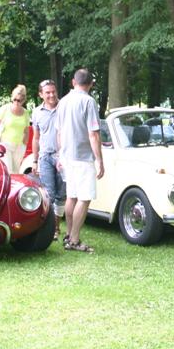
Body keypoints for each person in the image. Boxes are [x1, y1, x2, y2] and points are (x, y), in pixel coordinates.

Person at [56, 68, 103, 253]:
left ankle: (69, 235)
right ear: (91, 84)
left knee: (71, 197)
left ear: (74, 82)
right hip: (83, 157)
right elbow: (93, 134)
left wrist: (61, 154)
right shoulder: (89, 102)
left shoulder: (64, 101)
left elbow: (58, 132)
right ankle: (74, 239)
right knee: (84, 198)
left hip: (67, 156)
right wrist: (99, 159)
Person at [31, 79, 65, 239]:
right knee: (49, 194)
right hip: (45, 157)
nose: (51, 95)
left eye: (53, 91)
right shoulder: (37, 112)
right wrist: (35, 160)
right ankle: (50, 228)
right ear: (41, 95)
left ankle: (57, 226)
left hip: (63, 157)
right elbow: (36, 138)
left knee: (62, 195)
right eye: (47, 92)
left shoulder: (64, 108)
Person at [0, 84, 30, 174]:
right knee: (8, 170)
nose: (16, 102)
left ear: (23, 100)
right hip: (5, 145)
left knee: (16, 172)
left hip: (19, 147)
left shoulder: (26, 113)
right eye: (14, 99)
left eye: (19, 100)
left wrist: (24, 144)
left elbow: (26, 131)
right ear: (12, 98)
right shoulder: (5, 109)